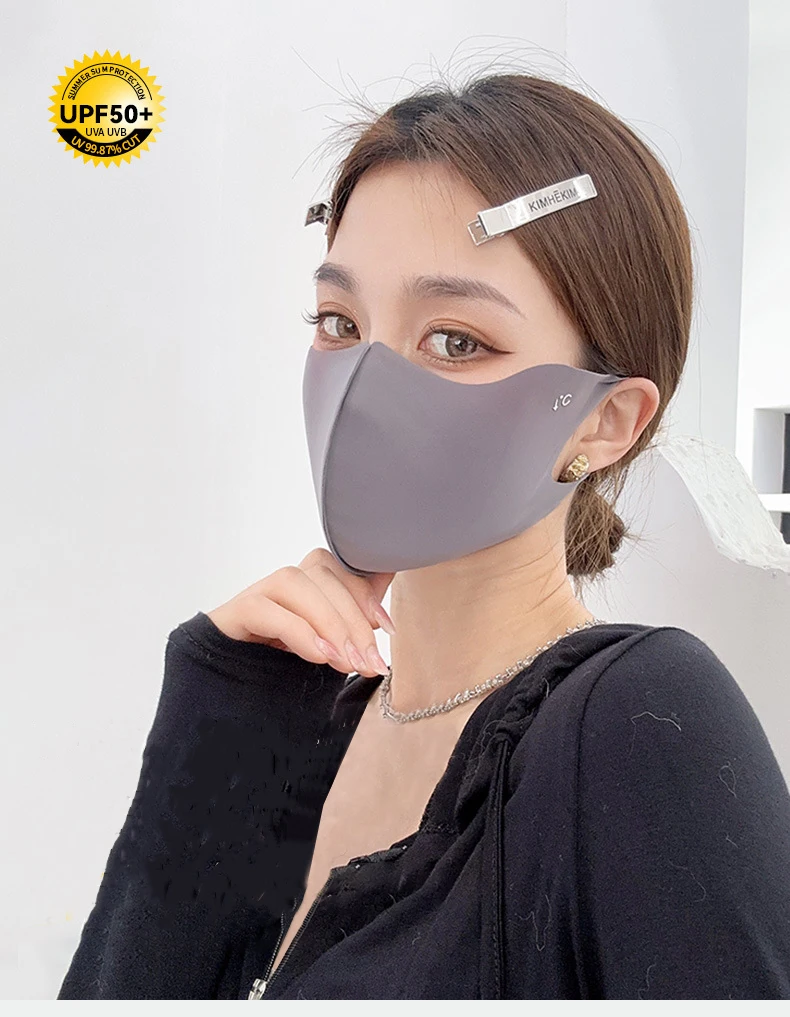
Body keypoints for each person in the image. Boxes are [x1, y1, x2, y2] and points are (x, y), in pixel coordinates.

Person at [57, 71, 790, 1000]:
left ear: (605, 422)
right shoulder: (297, 728)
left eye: (455, 340)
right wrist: (218, 716)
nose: (365, 386)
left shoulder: (641, 719)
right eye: (340, 322)